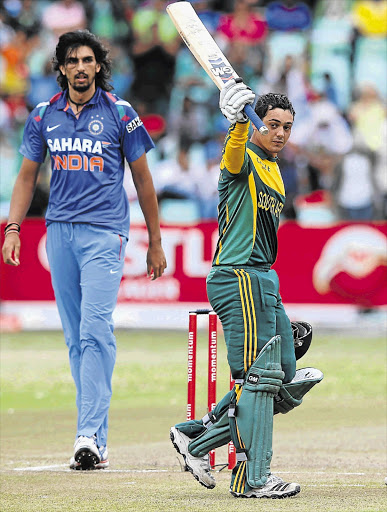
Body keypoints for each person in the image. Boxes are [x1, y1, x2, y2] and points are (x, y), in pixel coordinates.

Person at [2, 29, 167, 470]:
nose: (79, 67)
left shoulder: (121, 113)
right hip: (59, 233)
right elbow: (25, 178)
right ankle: (97, 438)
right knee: (77, 339)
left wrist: (154, 241)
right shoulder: (43, 115)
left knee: (96, 330)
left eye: (87, 60)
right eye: (71, 60)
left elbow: (144, 181)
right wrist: (13, 227)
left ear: (98, 66)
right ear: (60, 67)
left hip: (105, 233)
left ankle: (88, 433)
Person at [170, 80, 323, 498]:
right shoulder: (243, 156)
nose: (280, 133)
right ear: (258, 125)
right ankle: (253, 478)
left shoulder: (275, 166)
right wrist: (237, 123)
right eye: (272, 124)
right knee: (258, 379)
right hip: (237, 275)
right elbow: (233, 158)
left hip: (262, 278)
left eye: (287, 126)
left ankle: (195, 438)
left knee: (286, 377)